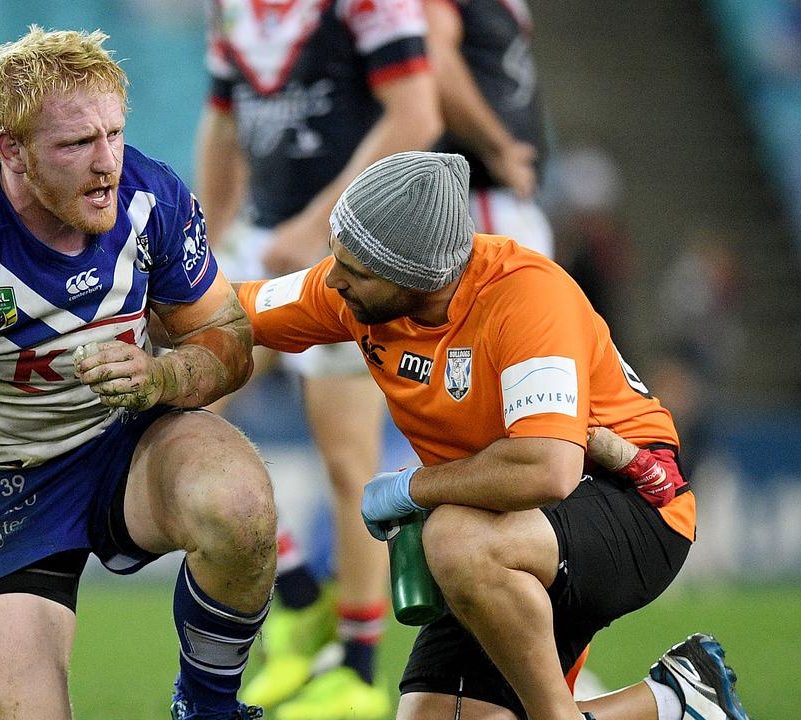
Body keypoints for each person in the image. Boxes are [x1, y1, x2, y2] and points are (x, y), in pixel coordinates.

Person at [0, 26, 276, 720]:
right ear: (9, 148)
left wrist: (162, 380)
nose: (107, 162)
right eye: (77, 144)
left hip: (124, 442)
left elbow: (227, 340)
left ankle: (207, 708)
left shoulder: (151, 196)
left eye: (113, 133)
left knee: (242, 507)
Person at [236, 151, 750, 720]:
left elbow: (548, 469)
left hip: (633, 499)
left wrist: (413, 489)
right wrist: (136, 307)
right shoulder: (361, 290)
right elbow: (233, 311)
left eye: (354, 271)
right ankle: (678, 700)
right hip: (510, 523)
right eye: (337, 259)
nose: (333, 280)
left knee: (455, 538)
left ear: (414, 276)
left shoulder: (526, 296)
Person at [196, 2, 442, 716]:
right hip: (260, 241)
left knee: (347, 461)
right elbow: (223, 120)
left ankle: (357, 673)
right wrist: (204, 245)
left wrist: (320, 226)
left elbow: (416, 117)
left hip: (351, 253)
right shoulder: (228, 8)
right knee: (175, 411)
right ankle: (298, 591)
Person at [423, 0, 553, 259]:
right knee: (509, 295)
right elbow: (437, 61)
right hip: (480, 188)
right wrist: (499, 148)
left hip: (506, 191)